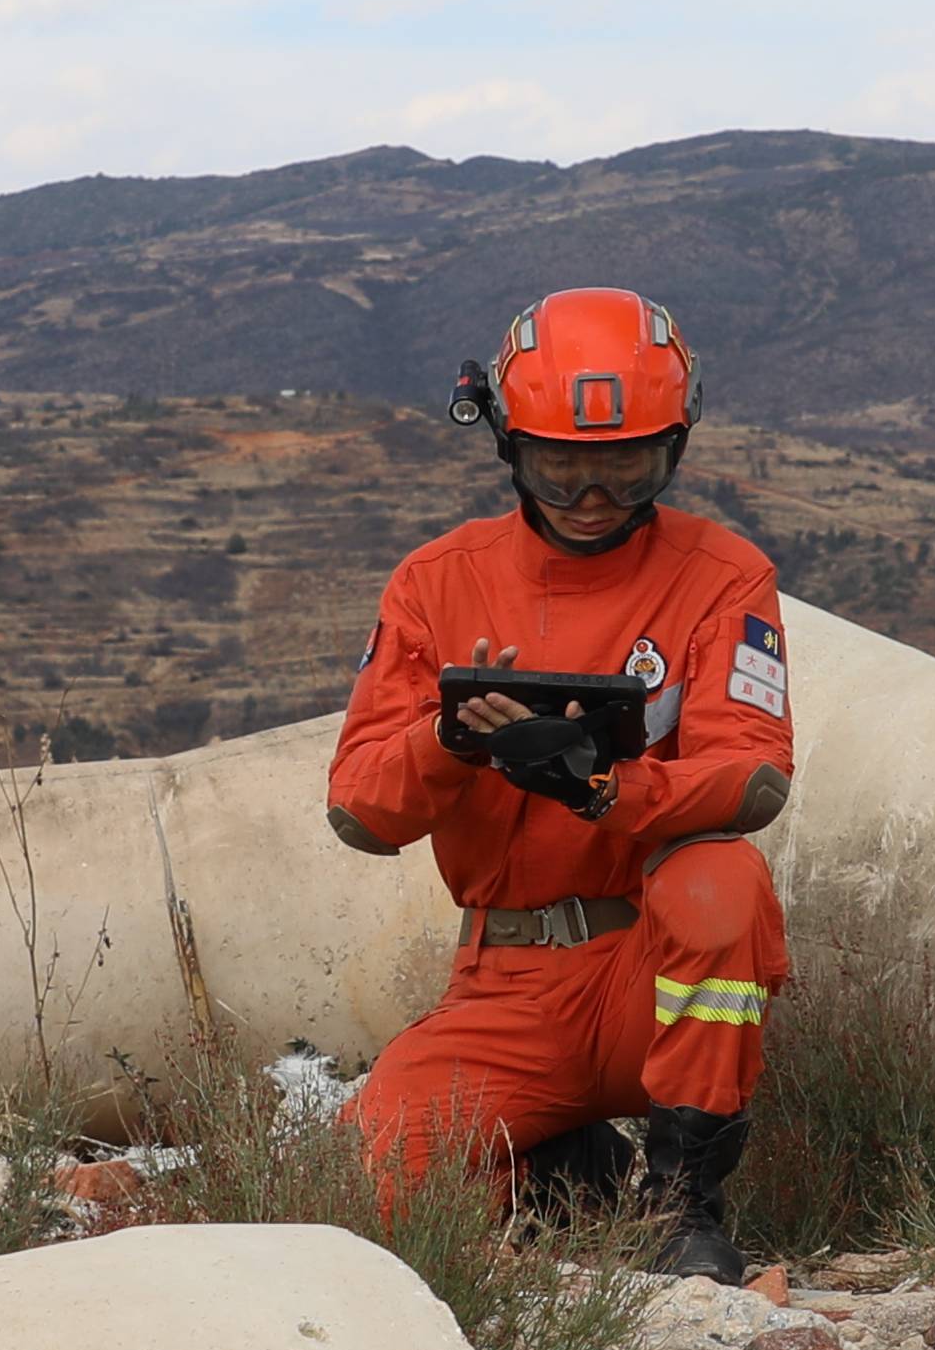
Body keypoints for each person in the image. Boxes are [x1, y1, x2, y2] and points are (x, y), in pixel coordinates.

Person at [327, 286, 796, 1281]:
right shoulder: (434, 582)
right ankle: (566, 1170)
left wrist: (604, 791)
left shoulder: (726, 575)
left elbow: (754, 777)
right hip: (507, 978)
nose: (593, 496)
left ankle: (683, 1211)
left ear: (673, 447)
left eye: (626, 468)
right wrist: (451, 741)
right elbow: (358, 812)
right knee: (365, 1198)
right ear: (507, 445)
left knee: (722, 881)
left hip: (648, 972)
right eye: (561, 467)